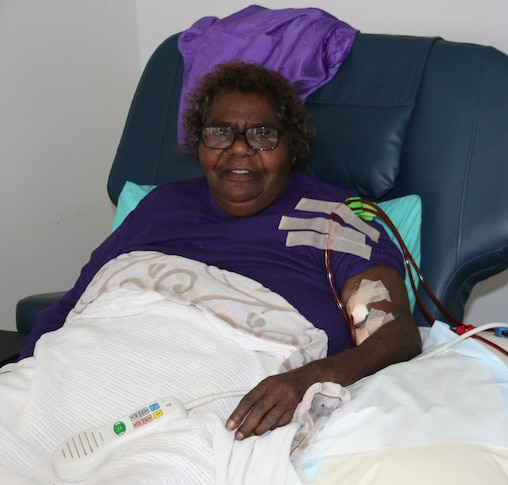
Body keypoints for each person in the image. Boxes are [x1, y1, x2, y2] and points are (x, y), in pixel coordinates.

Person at [19, 60, 422, 441]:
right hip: (89, 367)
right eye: (220, 132)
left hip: (215, 400)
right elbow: (74, 307)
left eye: (263, 134)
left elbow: (393, 336)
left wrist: (310, 378)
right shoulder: (160, 206)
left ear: (292, 146)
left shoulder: (335, 222)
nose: (239, 149)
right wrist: (29, 374)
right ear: (199, 142)